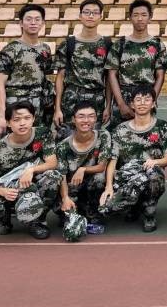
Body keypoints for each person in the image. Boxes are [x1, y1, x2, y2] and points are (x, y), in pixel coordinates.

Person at [0, 101, 61, 239]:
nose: (22, 123)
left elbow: (52, 163)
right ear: (8, 123)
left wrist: (31, 170)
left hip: (29, 186)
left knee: (53, 176)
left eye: (27, 118)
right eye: (16, 120)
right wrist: (2, 191)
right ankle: (4, 217)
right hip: (6, 190)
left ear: (33, 119)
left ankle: (37, 220)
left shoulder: (43, 134)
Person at [99, 83, 167, 232]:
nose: (142, 103)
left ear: (154, 104)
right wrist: (108, 187)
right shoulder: (120, 130)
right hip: (128, 176)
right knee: (106, 208)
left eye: (147, 99)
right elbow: (112, 161)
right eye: (138, 100)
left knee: (153, 176)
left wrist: (154, 162)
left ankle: (149, 212)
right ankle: (133, 206)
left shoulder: (163, 127)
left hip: (151, 173)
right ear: (132, 104)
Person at [54, 0, 113, 137]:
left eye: (95, 12)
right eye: (86, 12)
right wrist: (57, 108)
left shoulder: (107, 44)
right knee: (67, 139)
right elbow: (60, 77)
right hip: (71, 101)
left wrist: (108, 106)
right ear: (80, 16)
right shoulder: (68, 44)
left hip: (96, 101)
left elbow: (109, 79)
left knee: (93, 140)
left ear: (101, 16)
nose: (90, 16)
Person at [0, 4, 54, 137]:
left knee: (38, 143)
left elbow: (47, 79)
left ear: (43, 23)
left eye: (37, 19)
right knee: (12, 144)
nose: (33, 23)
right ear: (21, 23)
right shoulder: (10, 50)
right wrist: (2, 116)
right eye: (29, 19)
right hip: (16, 106)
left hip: (39, 107)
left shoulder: (45, 49)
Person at [106, 0, 166, 129]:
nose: (140, 19)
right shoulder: (119, 44)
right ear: (130, 17)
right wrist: (121, 104)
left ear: (150, 17)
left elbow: (160, 76)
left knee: (145, 134)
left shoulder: (157, 44)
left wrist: (151, 100)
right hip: (123, 95)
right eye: (136, 15)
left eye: (144, 15)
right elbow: (112, 75)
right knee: (119, 134)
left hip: (147, 94)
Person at [56, 101, 111, 240]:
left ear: (96, 119)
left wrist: (83, 169)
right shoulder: (63, 146)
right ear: (73, 119)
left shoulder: (103, 136)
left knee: (100, 177)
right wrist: (65, 198)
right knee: (71, 229)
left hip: (91, 184)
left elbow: (102, 166)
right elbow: (62, 175)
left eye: (91, 116)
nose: (86, 120)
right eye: (81, 116)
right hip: (72, 188)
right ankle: (70, 211)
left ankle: (93, 213)